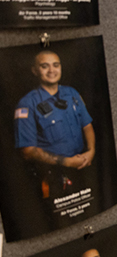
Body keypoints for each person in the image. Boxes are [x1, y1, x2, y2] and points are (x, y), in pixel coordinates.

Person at [15, 50, 95, 199]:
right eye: (45, 66)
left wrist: (91, 151)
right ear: (34, 70)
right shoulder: (27, 104)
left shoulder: (72, 93)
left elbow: (87, 125)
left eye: (56, 65)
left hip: (82, 168)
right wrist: (66, 162)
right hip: (52, 177)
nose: (52, 70)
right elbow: (27, 151)